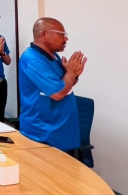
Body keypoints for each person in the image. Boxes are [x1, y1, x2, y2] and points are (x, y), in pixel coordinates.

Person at [19, 18, 86, 152]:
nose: (66, 39)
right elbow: (58, 93)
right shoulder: (32, 59)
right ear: (43, 34)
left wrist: (74, 74)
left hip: (62, 129)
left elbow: (66, 83)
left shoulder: (53, 56)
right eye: (62, 34)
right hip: (44, 133)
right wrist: (71, 73)